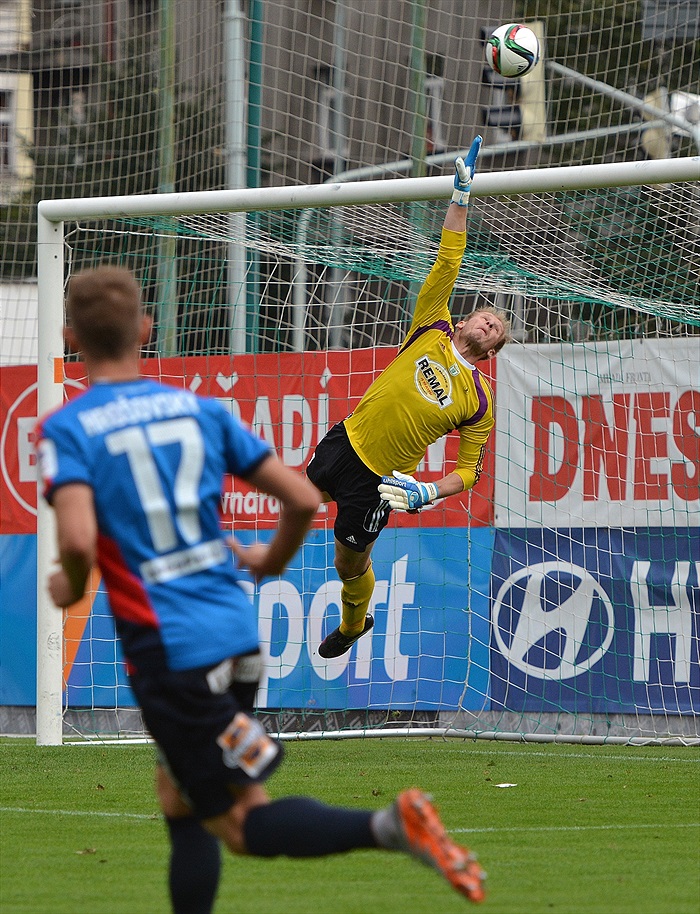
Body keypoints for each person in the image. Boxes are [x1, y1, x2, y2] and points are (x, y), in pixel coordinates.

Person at [36, 264, 486, 914]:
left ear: (70, 337)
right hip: (236, 634)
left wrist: (68, 582)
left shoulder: (68, 426)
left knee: (239, 824)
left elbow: (78, 541)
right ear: (146, 329)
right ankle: (386, 822)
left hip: (170, 650)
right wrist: (268, 561)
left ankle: (390, 827)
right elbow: (301, 499)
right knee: (180, 795)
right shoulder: (198, 411)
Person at [307, 135, 510, 659]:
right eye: (486, 315)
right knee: (297, 499)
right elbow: (447, 262)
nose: (491, 322)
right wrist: (460, 199)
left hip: (381, 480)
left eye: (498, 329)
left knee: (347, 565)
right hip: (346, 439)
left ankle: (353, 623)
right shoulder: (431, 327)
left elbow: (469, 472)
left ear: (491, 352)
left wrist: (429, 491)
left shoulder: (479, 400)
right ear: (462, 321)